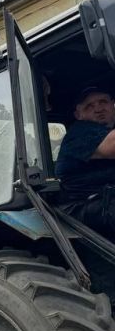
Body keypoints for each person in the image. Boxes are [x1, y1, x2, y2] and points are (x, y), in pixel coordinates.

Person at [55, 86, 115, 240]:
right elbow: (111, 147)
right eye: (89, 106)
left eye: (103, 102)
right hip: (79, 209)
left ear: (112, 105)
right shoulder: (79, 133)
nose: (98, 108)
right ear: (78, 114)